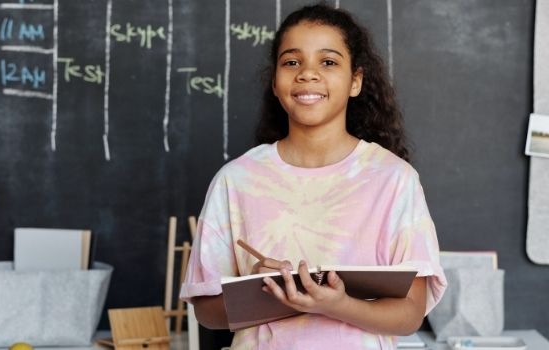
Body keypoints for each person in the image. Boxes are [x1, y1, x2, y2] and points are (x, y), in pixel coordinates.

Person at [181, 4, 447, 349]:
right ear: (275, 83)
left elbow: (410, 314)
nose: (307, 74)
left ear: (356, 81)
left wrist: (338, 305)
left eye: (328, 62)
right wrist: (270, 294)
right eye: (292, 62)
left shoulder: (394, 180)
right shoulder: (236, 180)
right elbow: (207, 311)